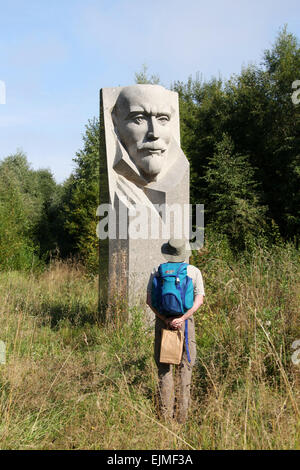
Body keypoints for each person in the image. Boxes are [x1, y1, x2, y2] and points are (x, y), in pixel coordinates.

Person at [147, 238, 205, 424]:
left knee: (164, 367)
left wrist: (165, 319)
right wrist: (183, 318)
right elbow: (199, 300)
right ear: (183, 252)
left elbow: (149, 301)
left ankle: (164, 416)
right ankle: (181, 417)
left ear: (168, 252)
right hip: (185, 324)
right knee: (185, 366)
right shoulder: (193, 271)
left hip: (163, 323)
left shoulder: (157, 271)